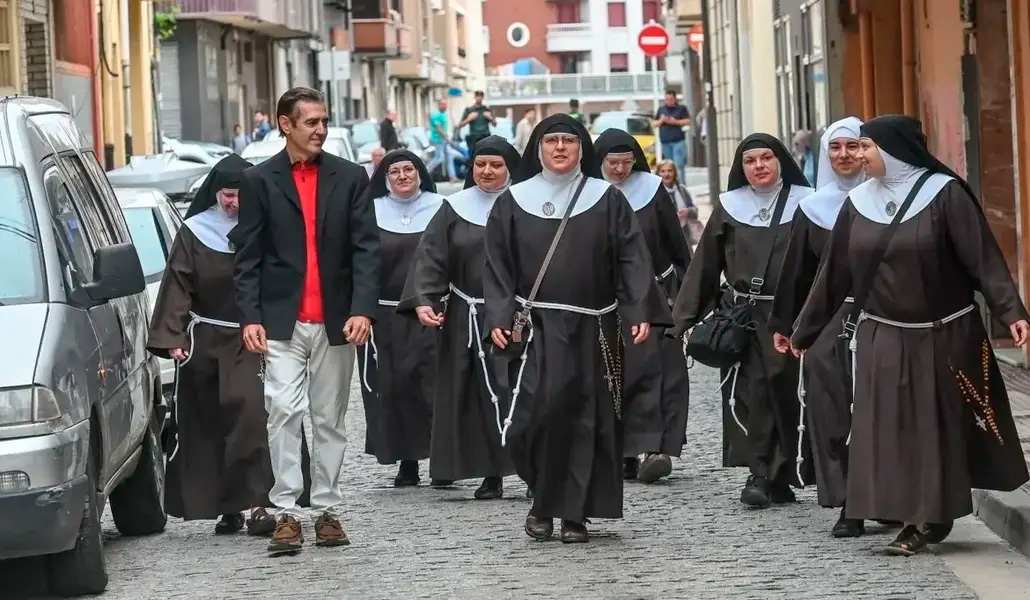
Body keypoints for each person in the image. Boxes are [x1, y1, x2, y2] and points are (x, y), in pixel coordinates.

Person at [790, 114, 1030, 556]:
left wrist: (1011, 311)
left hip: (944, 335)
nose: (858, 156)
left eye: (865, 147)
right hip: (883, 335)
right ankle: (905, 512)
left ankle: (926, 520)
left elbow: (984, 260)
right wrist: (803, 331)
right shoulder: (858, 202)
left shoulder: (945, 195)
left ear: (895, 151)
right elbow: (833, 276)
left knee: (930, 431)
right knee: (885, 431)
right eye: (856, 148)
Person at [483, 114, 670, 543]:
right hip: (538, 328)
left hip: (594, 325)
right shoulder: (513, 201)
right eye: (553, 141)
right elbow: (496, 267)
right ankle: (542, 499)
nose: (561, 148)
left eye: (569, 140)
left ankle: (573, 513)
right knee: (537, 417)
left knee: (588, 420)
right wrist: (498, 315)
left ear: (582, 147)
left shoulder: (606, 198)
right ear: (539, 149)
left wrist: (639, 308)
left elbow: (631, 258)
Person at [231, 87, 379, 554]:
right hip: (281, 320)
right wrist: (249, 316)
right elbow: (248, 255)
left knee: (330, 417)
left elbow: (366, 249)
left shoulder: (350, 177)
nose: (321, 129)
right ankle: (287, 514)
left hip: (336, 318)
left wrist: (362, 308)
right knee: (283, 412)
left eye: (324, 121)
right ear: (285, 124)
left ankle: (327, 511)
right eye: (311, 121)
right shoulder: (259, 180)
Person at [670, 133, 814, 508]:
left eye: (767, 158)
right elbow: (705, 266)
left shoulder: (807, 204)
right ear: (741, 167)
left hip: (791, 316)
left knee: (789, 394)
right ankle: (760, 472)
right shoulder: (730, 207)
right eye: (750, 161)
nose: (759, 166)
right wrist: (681, 319)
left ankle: (782, 474)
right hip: (744, 316)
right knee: (751, 394)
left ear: (781, 161)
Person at [146, 154, 275, 537]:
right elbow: (179, 282)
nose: (232, 203)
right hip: (205, 339)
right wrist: (173, 337)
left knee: (252, 417)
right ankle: (227, 507)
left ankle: (259, 505)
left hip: (254, 338)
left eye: (239, 196)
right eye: (227, 195)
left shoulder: (268, 230)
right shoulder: (195, 231)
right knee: (211, 424)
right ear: (215, 194)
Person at [398, 136, 522, 499]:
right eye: (480, 164)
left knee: (521, 392)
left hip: (520, 315)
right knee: (480, 397)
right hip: (468, 315)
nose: (486, 171)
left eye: (496, 165)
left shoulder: (528, 204)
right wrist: (424, 298)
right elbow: (431, 256)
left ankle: (535, 468)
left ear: (510, 168)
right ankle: (491, 472)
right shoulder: (455, 208)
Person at [766, 117, 867, 538]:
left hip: (880, 318)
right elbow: (797, 273)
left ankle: (888, 496)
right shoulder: (813, 209)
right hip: (828, 323)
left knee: (878, 414)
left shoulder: (890, 201)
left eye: (852, 146)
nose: (843, 155)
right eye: (835, 148)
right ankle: (848, 503)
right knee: (831, 413)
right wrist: (788, 325)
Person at [594, 130, 692, 484]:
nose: (620, 170)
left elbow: (676, 242)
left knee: (660, 372)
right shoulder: (590, 192)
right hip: (607, 300)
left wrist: (684, 296)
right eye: (612, 163)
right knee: (614, 375)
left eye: (626, 162)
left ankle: (655, 447)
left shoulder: (652, 190)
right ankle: (623, 451)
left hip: (654, 293)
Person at [358, 149, 444, 487]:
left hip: (433, 313)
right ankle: (407, 461)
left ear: (421, 173)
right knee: (396, 389)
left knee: (435, 387)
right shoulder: (370, 212)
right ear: (384, 178)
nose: (403, 176)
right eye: (395, 171)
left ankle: (442, 459)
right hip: (386, 315)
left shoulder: (441, 209)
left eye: (409, 169)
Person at [656, 159, 701, 245]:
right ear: (658, 173)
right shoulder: (655, 192)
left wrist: (688, 211)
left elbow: (695, 211)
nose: (666, 174)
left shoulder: (682, 190)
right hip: (664, 238)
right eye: (663, 171)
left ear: (674, 173)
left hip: (684, 235)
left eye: (670, 171)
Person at [653, 90, 690, 177]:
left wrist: (674, 121)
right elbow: (654, 124)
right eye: (667, 99)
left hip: (678, 141)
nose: (669, 101)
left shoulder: (681, 108)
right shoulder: (661, 109)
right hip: (665, 142)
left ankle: (680, 185)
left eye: (671, 99)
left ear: (675, 99)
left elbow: (688, 121)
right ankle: (669, 184)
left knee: (678, 165)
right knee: (668, 166)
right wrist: (662, 120)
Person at [427, 98, 459, 182]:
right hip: (438, 140)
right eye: (443, 104)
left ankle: (452, 177)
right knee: (439, 158)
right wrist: (446, 137)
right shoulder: (435, 115)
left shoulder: (444, 114)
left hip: (444, 140)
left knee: (449, 157)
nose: (445, 106)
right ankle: (424, 173)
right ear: (439, 105)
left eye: (446, 104)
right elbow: (438, 128)